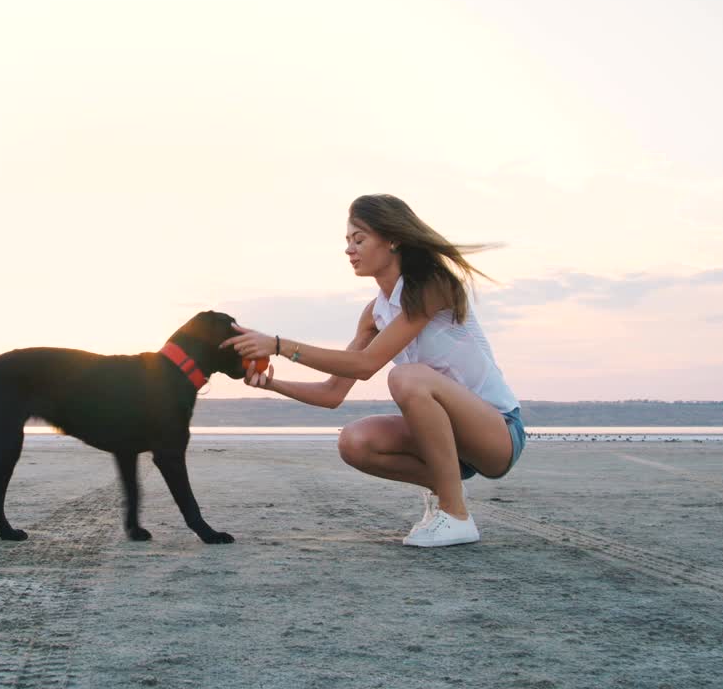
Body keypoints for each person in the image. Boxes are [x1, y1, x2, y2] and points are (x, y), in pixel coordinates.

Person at [220, 194, 525, 547]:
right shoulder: (375, 313)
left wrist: (278, 345)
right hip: (448, 443)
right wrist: (272, 385)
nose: (349, 249)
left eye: (359, 239)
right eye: (347, 241)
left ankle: (455, 516)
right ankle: (446, 491)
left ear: (392, 239)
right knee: (354, 441)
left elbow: (366, 365)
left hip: (498, 433)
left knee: (406, 377)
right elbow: (332, 393)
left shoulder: (432, 286)